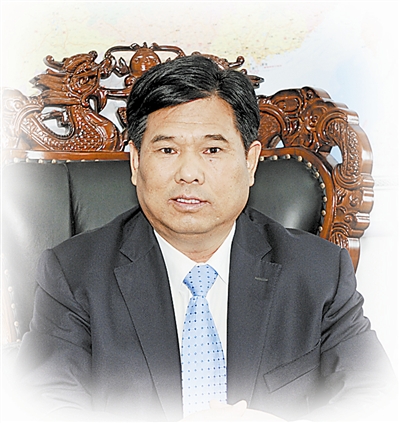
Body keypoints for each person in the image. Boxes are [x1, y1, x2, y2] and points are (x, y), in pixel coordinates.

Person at [14, 55, 395, 422]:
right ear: (136, 162)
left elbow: (374, 399)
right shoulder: (74, 275)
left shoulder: (318, 271)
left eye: (212, 150)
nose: (189, 173)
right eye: (167, 149)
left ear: (250, 162)